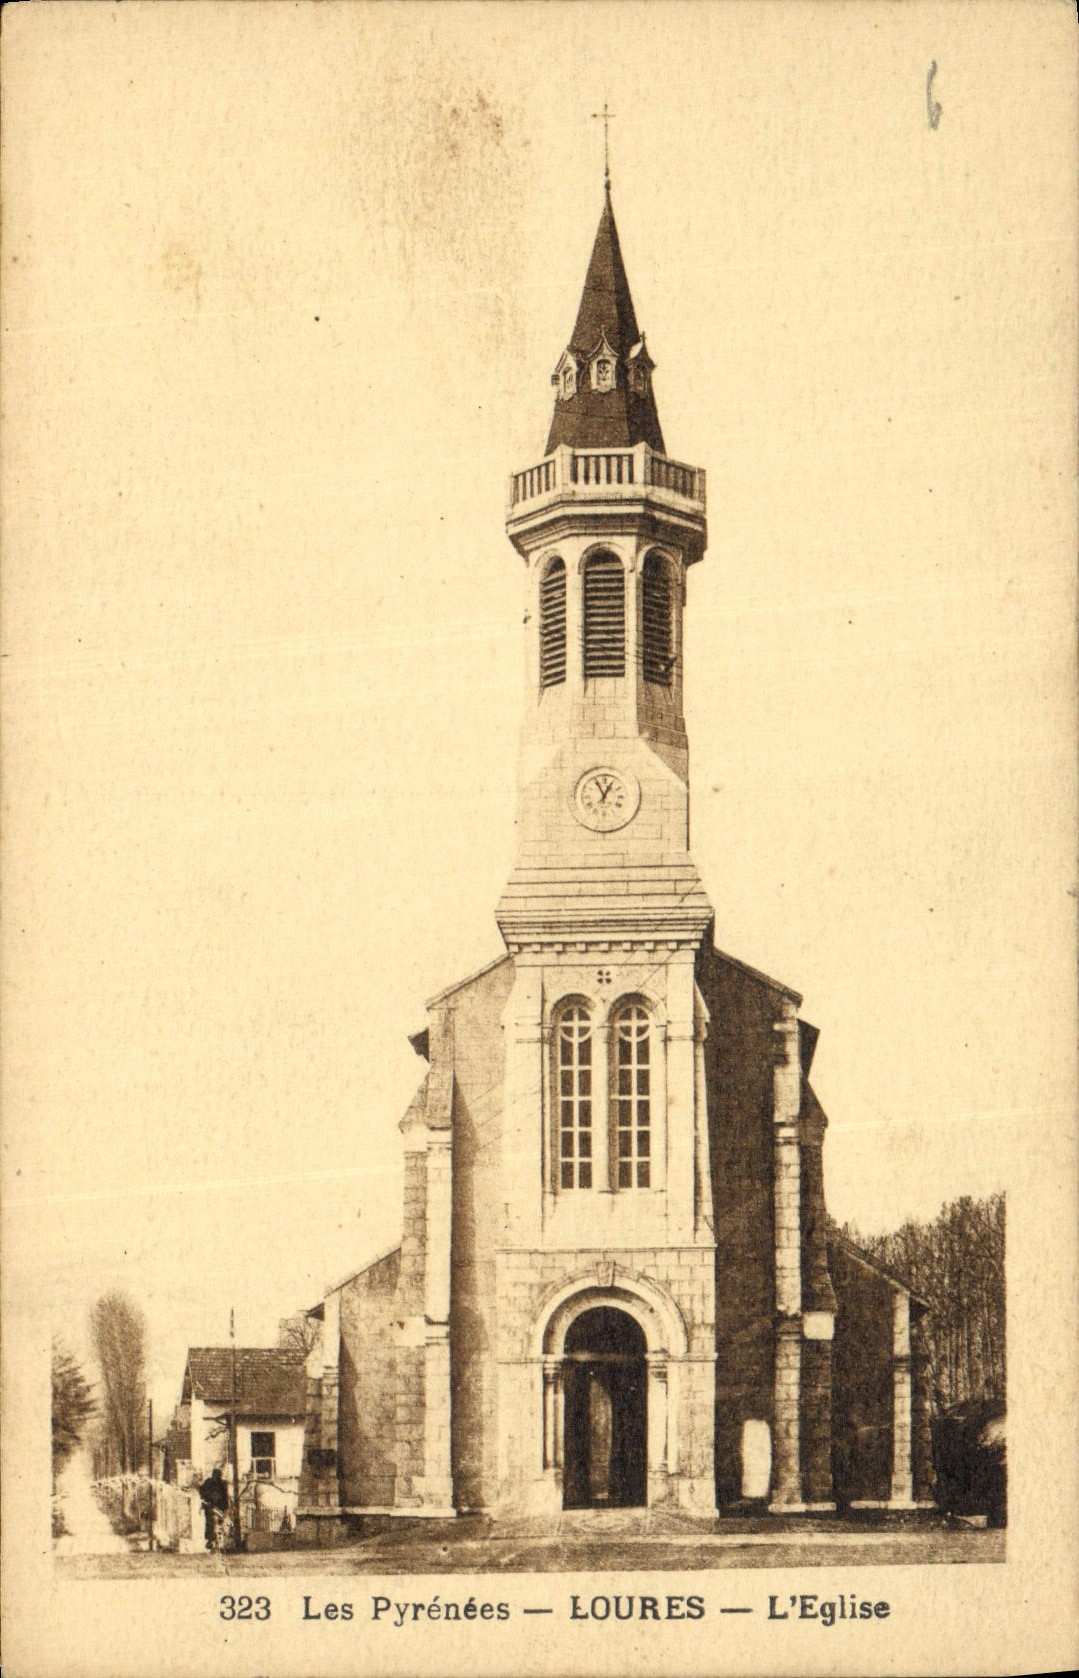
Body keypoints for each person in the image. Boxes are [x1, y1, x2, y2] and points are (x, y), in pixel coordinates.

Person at [198, 1466, 230, 1549]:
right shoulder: (210, 1482)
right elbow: (202, 1492)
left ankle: (216, 1540)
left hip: (218, 1506)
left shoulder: (221, 1483)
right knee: (210, 1523)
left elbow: (226, 1496)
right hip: (212, 1506)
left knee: (217, 1523)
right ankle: (211, 1540)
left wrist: (225, 1507)